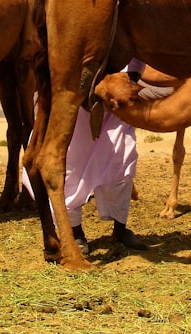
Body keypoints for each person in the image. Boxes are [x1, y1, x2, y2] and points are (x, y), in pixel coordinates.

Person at [23, 58, 149, 255]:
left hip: (119, 95)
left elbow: (136, 52)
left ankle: (120, 228)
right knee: (72, 161)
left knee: (122, 157)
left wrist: (129, 79)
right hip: (76, 94)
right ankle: (75, 232)